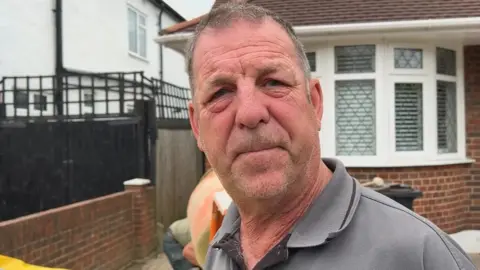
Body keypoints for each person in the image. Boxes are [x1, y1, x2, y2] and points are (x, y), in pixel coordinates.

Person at [184, 2, 477, 270]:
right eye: (221, 92)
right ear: (197, 127)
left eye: (273, 82)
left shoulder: (419, 255)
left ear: (316, 103)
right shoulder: (221, 245)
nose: (249, 113)